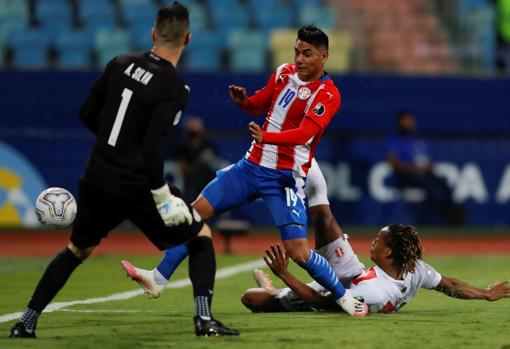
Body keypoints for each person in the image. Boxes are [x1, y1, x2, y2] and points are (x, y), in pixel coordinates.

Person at [9, 2, 238, 338]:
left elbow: (87, 113)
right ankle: (204, 320)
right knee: (199, 235)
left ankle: (26, 322)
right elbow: (150, 147)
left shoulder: (120, 63)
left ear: (152, 33)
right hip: (136, 182)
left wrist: (112, 146)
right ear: (187, 39)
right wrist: (162, 196)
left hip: (98, 174)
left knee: (78, 249)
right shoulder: (175, 87)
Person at [123, 25, 368, 317]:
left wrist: (269, 137)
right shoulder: (283, 73)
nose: (300, 59)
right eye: (297, 52)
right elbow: (261, 103)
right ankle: (158, 278)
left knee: (298, 252)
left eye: (307, 54)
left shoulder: (328, 94)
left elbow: (304, 133)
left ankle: (343, 298)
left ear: (324, 56)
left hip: (284, 178)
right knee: (193, 216)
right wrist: (246, 103)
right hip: (249, 167)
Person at [241, 225, 510, 314]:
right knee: (326, 220)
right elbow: (449, 284)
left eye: (378, 240)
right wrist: (486, 294)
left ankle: (273, 289)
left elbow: (323, 303)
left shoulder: (373, 293)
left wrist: (285, 274)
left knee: (251, 298)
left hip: (328, 294)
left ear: (389, 251)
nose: (373, 241)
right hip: (353, 275)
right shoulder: (414, 268)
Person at [386, 110, 465, 225]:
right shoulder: (394, 140)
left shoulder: (418, 141)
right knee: (429, 185)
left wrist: (427, 167)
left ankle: (451, 210)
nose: (409, 123)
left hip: (423, 174)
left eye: (411, 121)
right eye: (406, 121)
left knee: (442, 182)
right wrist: (413, 169)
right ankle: (448, 214)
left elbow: (428, 161)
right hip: (406, 175)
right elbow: (393, 163)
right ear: (399, 122)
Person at [171, 116, 227, 202]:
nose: (195, 136)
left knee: (217, 165)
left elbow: (215, 163)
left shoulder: (208, 144)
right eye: (192, 133)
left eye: (197, 132)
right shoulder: (182, 146)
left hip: (207, 178)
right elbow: (182, 168)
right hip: (191, 178)